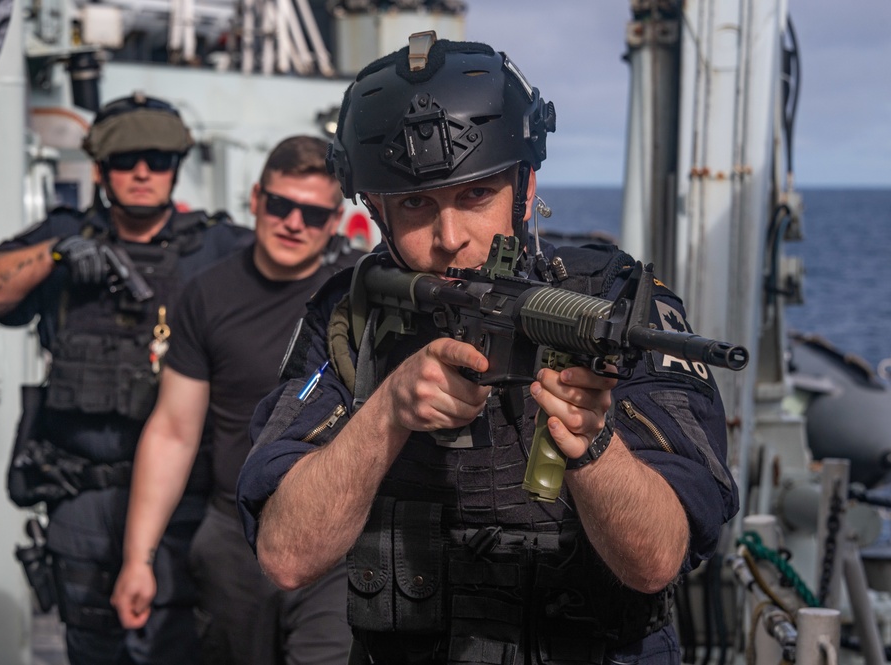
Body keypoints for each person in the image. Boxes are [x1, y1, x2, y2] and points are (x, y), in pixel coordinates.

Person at [235, 33, 740, 665]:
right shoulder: (352, 316)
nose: (450, 238)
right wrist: (387, 412)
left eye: (476, 194)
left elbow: (657, 561)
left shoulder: (614, 301)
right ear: (375, 209)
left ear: (525, 187)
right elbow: (286, 555)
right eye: (417, 204)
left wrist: (592, 445)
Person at [0, 92, 250, 665]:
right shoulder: (64, 235)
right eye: (125, 159)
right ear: (100, 168)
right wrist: (57, 257)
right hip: (84, 501)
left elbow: (295, 280)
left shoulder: (217, 245)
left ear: (176, 167)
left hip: (184, 508)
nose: (142, 172)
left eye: (157, 159)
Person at [110, 135, 358, 665]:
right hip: (233, 538)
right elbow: (174, 431)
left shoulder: (356, 297)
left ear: (335, 221)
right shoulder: (206, 294)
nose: (294, 223)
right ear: (255, 200)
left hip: (335, 541)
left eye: (313, 214)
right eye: (281, 205)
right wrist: (138, 558)